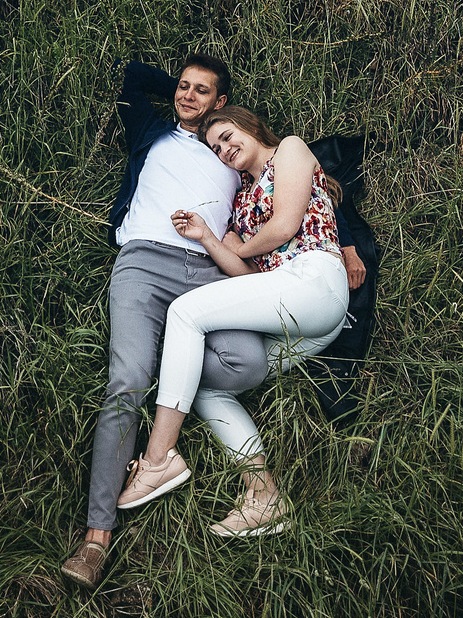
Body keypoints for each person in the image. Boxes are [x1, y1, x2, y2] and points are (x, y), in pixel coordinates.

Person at [60, 58, 364, 590]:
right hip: (166, 265)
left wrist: (348, 242)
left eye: (203, 92)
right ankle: (105, 536)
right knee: (166, 381)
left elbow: (301, 210)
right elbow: (133, 78)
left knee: (214, 339)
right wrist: (208, 232)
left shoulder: (268, 158)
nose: (189, 96)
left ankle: (160, 454)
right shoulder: (168, 142)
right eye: (183, 87)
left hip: (260, 277)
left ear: (230, 108)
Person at [113, 105, 352, 538]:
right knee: (209, 387)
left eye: (227, 137)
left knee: (184, 312)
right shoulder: (241, 203)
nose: (224, 150)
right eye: (216, 148)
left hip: (316, 280)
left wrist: (238, 246)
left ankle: (158, 458)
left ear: (250, 126)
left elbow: (284, 226)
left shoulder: (289, 150)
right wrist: (208, 237)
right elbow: (248, 279)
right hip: (289, 309)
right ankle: (264, 496)